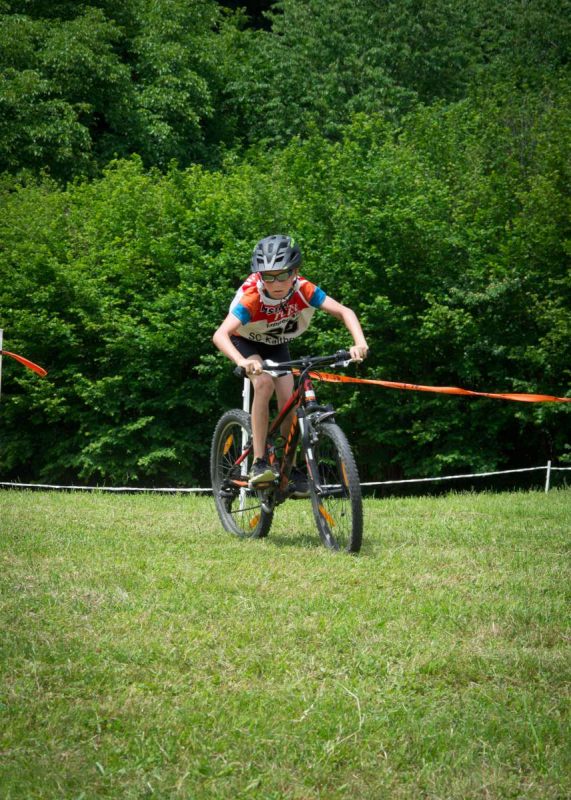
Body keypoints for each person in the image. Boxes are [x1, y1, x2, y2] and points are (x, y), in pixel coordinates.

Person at [213, 234, 368, 486]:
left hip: (276, 343)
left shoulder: (304, 289)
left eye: (282, 275)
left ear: (295, 272)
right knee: (263, 384)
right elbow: (220, 335)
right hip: (245, 341)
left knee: (289, 400)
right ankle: (259, 462)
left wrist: (359, 342)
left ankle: (289, 466)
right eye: (268, 276)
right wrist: (241, 361)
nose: (275, 283)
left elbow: (344, 311)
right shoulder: (253, 297)